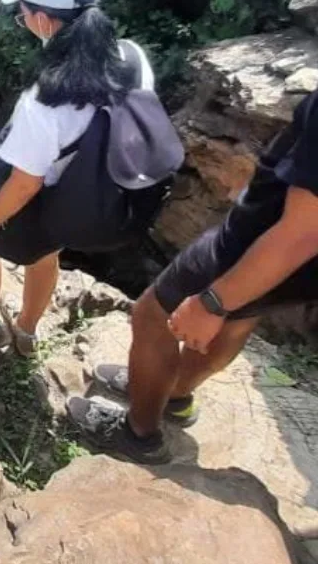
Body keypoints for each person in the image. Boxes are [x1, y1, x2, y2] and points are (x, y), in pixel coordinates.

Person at [68, 87, 318, 463]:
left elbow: (303, 233)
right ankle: (172, 392)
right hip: (301, 269)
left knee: (153, 316)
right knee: (239, 318)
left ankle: (139, 435)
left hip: (258, 244)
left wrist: (213, 301)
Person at [0, 0, 154, 356]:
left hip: (45, 200)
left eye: (23, 13)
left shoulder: (46, 102)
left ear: (44, 20)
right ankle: (27, 332)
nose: (23, 20)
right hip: (96, 195)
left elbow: (26, 182)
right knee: (46, 255)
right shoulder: (132, 56)